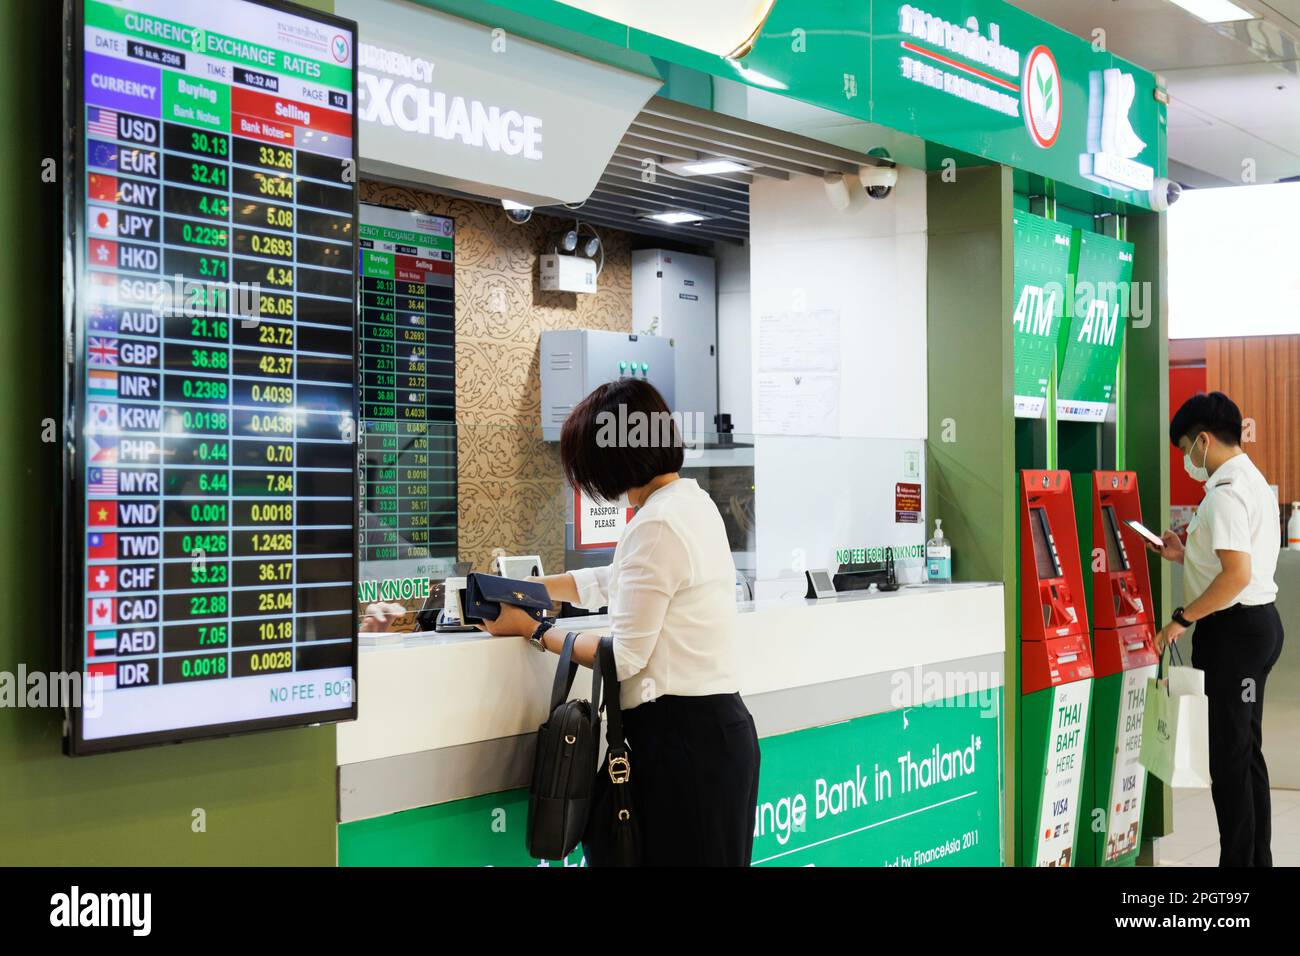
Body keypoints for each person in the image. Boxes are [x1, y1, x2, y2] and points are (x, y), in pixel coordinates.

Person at [478, 378, 760, 866]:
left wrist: (535, 631)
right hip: (716, 737)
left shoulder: (655, 522)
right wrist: (538, 592)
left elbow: (625, 658)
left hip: (679, 744)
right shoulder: (690, 503)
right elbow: (623, 578)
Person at [1148, 391, 1284, 867]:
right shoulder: (1251, 480)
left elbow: (1236, 576)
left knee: (1230, 761)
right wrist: (1184, 553)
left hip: (1236, 635)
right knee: (1244, 754)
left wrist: (1181, 619)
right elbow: (1229, 559)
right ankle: (1253, 862)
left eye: (1186, 447)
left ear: (1203, 440)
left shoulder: (1226, 494)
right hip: (1254, 627)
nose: (1188, 459)